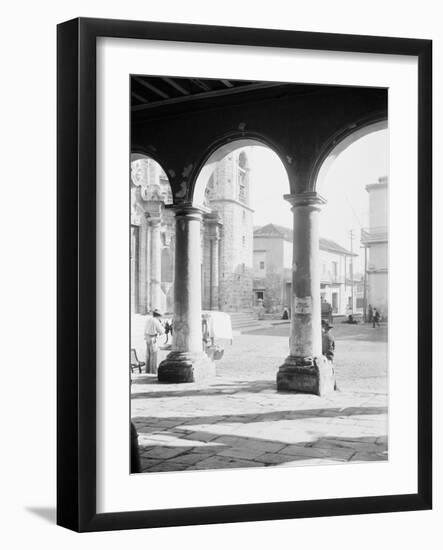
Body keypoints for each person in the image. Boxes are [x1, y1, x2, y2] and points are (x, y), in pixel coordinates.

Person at [144, 309, 165, 374]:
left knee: (148, 355)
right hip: (153, 338)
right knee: (154, 356)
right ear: (158, 315)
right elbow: (162, 331)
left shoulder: (149, 320)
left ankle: (147, 371)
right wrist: (163, 326)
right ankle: (153, 372)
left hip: (147, 338)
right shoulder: (156, 321)